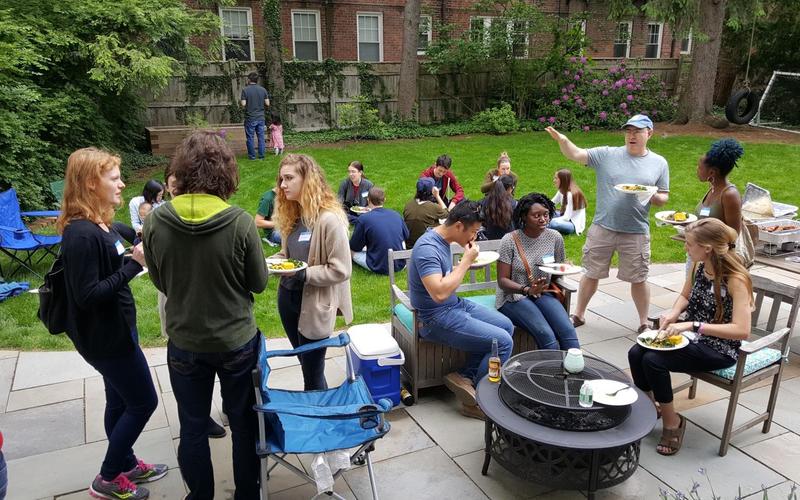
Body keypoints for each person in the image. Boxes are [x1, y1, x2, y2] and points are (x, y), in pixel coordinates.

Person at [143, 131, 267, 498]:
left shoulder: (155, 222)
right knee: (244, 423)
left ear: (181, 172)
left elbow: (160, 281)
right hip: (237, 343)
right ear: (226, 174)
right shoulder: (241, 222)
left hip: (185, 342)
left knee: (192, 427)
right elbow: (258, 283)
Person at [57, 148, 166, 500]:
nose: (122, 184)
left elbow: (119, 239)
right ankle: (106, 478)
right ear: (91, 183)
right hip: (106, 338)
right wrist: (133, 266)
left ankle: (126, 463)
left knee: (119, 402)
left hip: (117, 329)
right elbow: (87, 295)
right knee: (143, 402)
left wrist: (135, 240)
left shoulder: (100, 225)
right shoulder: (81, 235)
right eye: (114, 178)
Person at [627, 218, 752, 456]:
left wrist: (693, 325)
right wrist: (673, 314)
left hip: (719, 348)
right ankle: (649, 407)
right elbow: (685, 295)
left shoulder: (736, 278)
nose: (685, 247)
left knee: (653, 361)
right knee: (636, 352)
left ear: (707, 248)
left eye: (689, 244)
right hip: (691, 338)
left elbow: (742, 330)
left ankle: (673, 423)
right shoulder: (699, 266)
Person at [545, 114, 670, 333]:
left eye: (637, 131)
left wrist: (651, 195)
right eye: (628, 131)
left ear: (649, 133)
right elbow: (576, 154)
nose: (631, 136)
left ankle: (643, 322)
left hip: (636, 231)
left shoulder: (659, 163)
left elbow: (663, 197)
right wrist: (562, 141)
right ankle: (579, 314)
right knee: (591, 273)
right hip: (603, 226)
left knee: (639, 278)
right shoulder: (607, 154)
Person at [408, 201, 515, 419]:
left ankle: (465, 376)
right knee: (503, 342)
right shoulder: (427, 249)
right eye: (474, 231)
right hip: (434, 318)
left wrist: (465, 261)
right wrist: (465, 262)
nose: (474, 237)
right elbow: (438, 293)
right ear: (458, 226)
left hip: (453, 305)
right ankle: (478, 402)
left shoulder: (443, 238)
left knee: (505, 326)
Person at [274, 153, 353, 390]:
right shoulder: (294, 215)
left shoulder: (329, 220)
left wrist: (303, 274)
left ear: (306, 180)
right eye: (281, 179)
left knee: (312, 371)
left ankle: (320, 419)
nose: (282, 185)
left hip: (315, 306)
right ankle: (318, 414)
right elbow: (286, 256)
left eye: (289, 178)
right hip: (288, 301)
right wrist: (272, 262)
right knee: (304, 362)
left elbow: (341, 269)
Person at [496, 193, 580, 350]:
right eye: (536, 215)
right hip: (514, 296)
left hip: (543, 292)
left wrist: (564, 268)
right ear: (524, 217)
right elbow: (502, 281)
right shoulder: (510, 240)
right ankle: (551, 372)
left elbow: (556, 273)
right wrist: (527, 289)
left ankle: (576, 370)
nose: (543, 219)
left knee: (568, 330)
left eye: (546, 214)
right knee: (546, 334)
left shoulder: (555, 237)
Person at [350, 186, 410, 275]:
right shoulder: (396, 214)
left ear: (368, 199)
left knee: (350, 251)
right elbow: (406, 235)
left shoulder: (364, 219)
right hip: (400, 263)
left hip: (378, 265)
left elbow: (354, 246)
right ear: (384, 199)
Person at [695, 138, 745, 233]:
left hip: (717, 248)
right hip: (702, 246)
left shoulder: (729, 195)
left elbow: (734, 234)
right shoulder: (712, 187)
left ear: (712, 172)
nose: (697, 169)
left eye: (699, 167)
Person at [404, 177, 449, 248]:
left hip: (408, 245)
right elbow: (447, 214)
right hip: (424, 246)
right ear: (431, 191)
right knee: (445, 225)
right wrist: (437, 196)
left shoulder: (408, 205)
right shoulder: (433, 207)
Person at [240, 71, 270, 160]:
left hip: (250, 118)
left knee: (250, 137)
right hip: (261, 117)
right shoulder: (263, 89)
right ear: (257, 80)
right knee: (261, 137)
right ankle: (261, 156)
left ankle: (252, 156)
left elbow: (243, 104)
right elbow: (267, 103)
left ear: (249, 80)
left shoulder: (245, 90)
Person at [549, 168, 587, 235]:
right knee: (546, 213)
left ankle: (537, 226)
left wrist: (546, 220)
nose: (554, 180)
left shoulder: (571, 194)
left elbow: (566, 218)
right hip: (563, 215)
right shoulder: (562, 190)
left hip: (572, 224)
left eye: (556, 178)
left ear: (563, 180)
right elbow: (551, 204)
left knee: (553, 223)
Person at [480, 175, 517, 240]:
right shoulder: (514, 204)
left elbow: (480, 220)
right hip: (510, 241)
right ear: (510, 188)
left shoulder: (485, 201)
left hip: (489, 240)